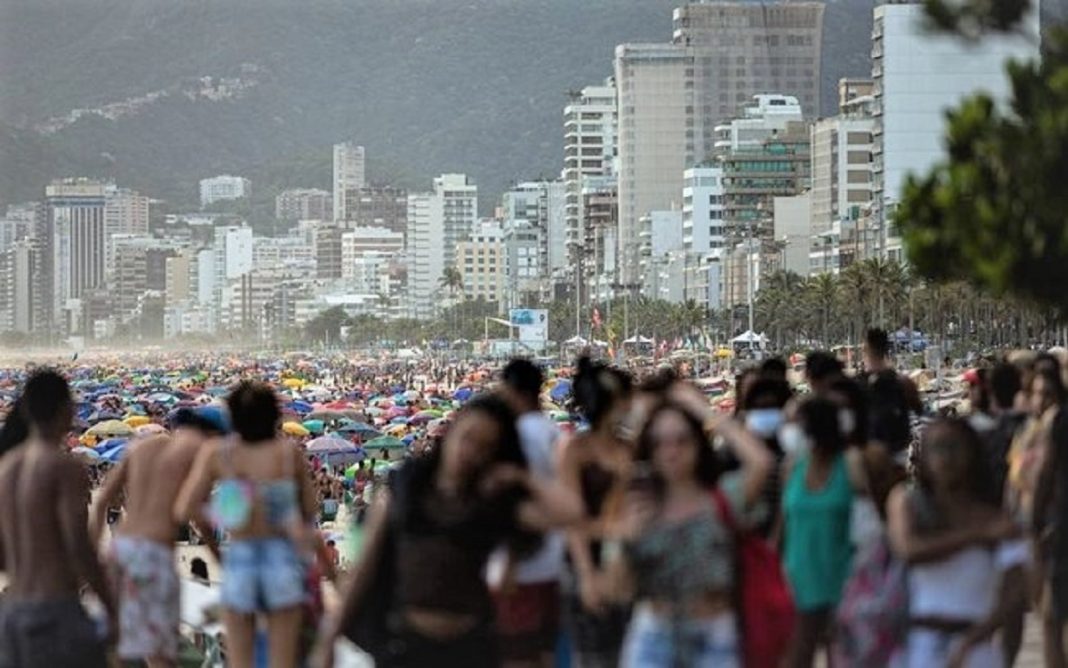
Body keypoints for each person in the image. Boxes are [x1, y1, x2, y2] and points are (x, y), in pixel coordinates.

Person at [319, 394, 582, 668]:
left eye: (485, 448)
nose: (471, 452)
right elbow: (365, 569)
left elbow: (571, 513)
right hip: (404, 645)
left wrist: (522, 476)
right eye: (468, 438)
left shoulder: (489, 503)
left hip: (471, 648)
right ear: (453, 433)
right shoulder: (408, 487)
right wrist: (330, 640)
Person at [612, 389, 773, 667]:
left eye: (682, 440)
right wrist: (627, 539)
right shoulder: (638, 506)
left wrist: (706, 412)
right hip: (655, 634)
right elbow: (616, 591)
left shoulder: (722, 498)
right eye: (659, 443)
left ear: (699, 443)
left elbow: (761, 462)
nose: (671, 452)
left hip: (713, 633)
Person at [175, 381, 318, 668]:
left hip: (239, 556)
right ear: (274, 416)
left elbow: (185, 507)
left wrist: (216, 543)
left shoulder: (219, 454)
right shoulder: (288, 454)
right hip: (282, 558)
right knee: (283, 661)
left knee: (240, 660)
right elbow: (308, 511)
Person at [88, 405, 228, 668]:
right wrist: (219, 556)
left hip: (119, 551)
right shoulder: (199, 450)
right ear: (213, 434)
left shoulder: (141, 447)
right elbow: (194, 510)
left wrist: (91, 555)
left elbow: (101, 502)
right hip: (152, 554)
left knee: (127, 648)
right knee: (161, 654)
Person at [887, 420, 1026, 667]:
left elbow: (1015, 594)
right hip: (920, 644)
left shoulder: (994, 517)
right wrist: (978, 536)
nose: (946, 456)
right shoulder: (908, 503)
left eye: (954, 447)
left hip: (976, 646)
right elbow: (909, 550)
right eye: (937, 447)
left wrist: (980, 641)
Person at [0, 370, 116, 668]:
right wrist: (111, 606)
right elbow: (78, 545)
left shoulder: (7, 468)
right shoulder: (63, 468)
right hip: (55, 610)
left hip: (13, 612)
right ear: (67, 409)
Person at [493, 358, 578, 668]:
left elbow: (517, 501)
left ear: (512, 390)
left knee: (517, 655)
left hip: (522, 566)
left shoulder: (517, 435)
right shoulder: (558, 433)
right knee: (548, 652)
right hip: (557, 559)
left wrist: (510, 560)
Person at [559, 357, 635, 668]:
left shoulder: (631, 447)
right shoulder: (576, 450)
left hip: (630, 566)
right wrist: (588, 574)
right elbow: (571, 519)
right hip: (586, 563)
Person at [781, 397, 858, 668]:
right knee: (797, 656)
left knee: (844, 657)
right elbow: (782, 527)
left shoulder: (850, 465)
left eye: (796, 424)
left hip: (844, 579)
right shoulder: (792, 468)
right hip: (798, 579)